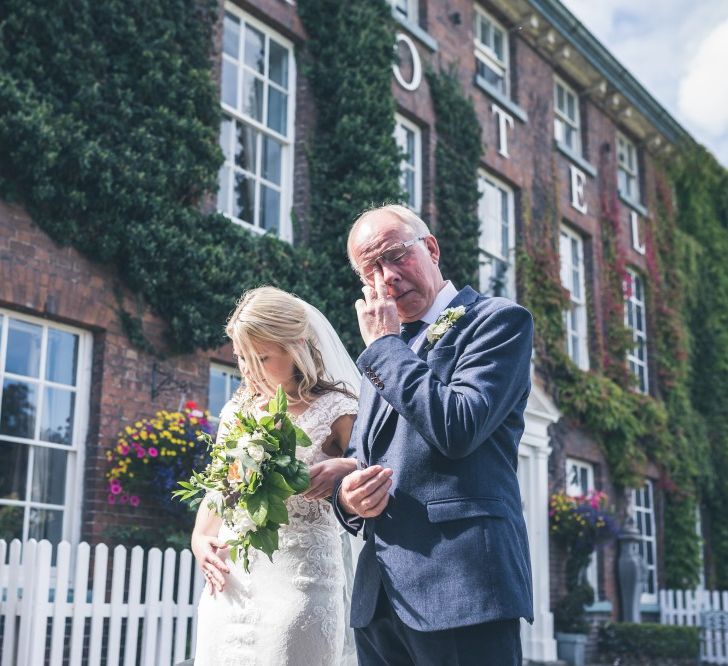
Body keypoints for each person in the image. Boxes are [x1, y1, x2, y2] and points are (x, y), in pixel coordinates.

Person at [333, 204, 534, 665]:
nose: (386, 277)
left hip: (463, 587)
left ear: (431, 248)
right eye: (370, 269)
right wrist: (347, 498)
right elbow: (360, 454)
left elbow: (459, 425)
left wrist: (384, 349)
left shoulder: (497, 321)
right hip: (381, 598)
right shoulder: (387, 354)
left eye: (395, 255)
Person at [192, 286, 361, 666]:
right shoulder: (237, 411)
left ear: (296, 345)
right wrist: (200, 537)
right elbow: (219, 488)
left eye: (261, 357)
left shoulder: (339, 409)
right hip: (233, 581)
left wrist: (348, 468)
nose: (248, 370)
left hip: (301, 580)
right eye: (240, 358)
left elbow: (380, 471)